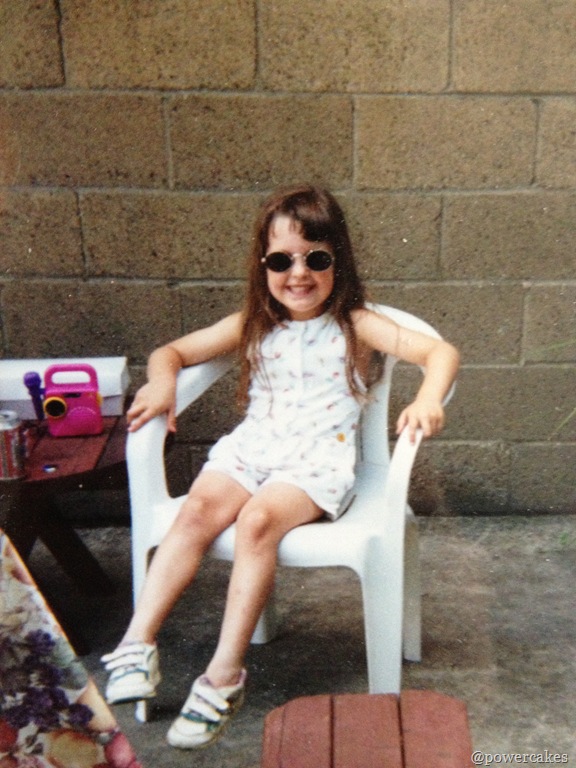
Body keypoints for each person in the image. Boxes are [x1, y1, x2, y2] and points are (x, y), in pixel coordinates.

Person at [101, 184, 460, 750]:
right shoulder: (254, 322)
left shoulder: (356, 323)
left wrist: (428, 398)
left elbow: (440, 352)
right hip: (252, 450)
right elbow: (170, 352)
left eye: (316, 258)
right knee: (195, 511)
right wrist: (163, 382)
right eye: (281, 261)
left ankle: (223, 676)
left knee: (258, 522)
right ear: (262, 265)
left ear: (338, 262)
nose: (299, 274)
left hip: (315, 463)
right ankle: (137, 644)